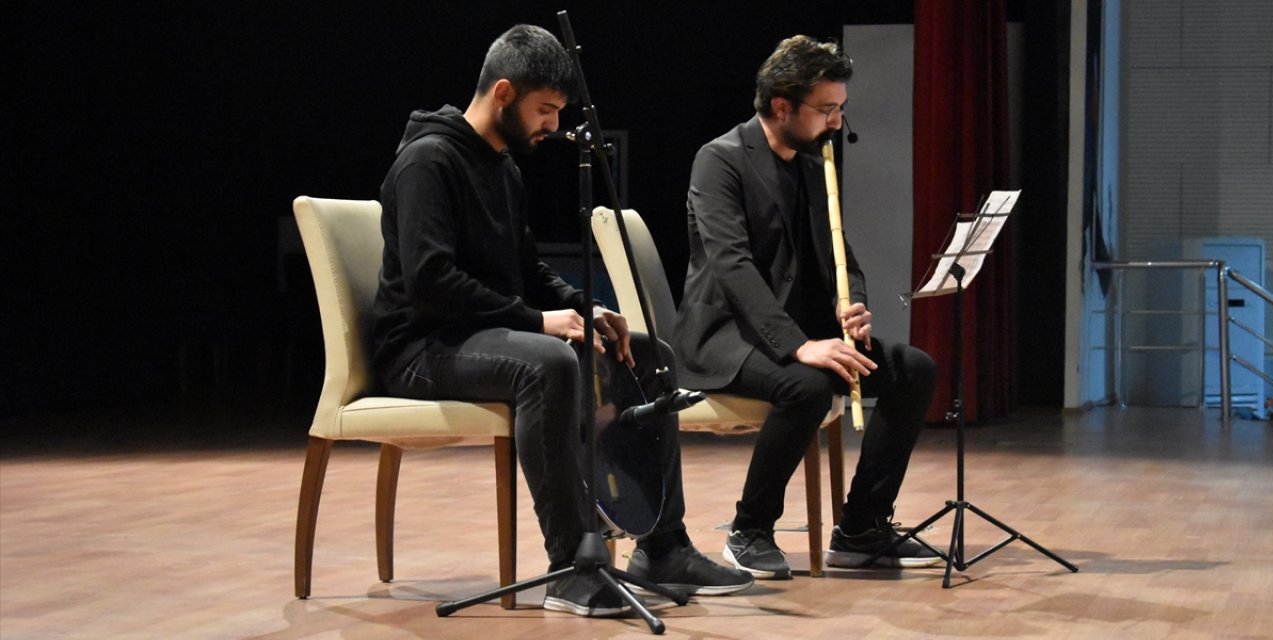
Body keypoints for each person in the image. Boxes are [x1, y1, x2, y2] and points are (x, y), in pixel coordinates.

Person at [370, 24, 752, 617]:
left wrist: (584, 307)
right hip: (420, 348)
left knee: (650, 355)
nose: (553, 126)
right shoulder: (429, 160)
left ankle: (663, 545)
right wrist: (537, 322)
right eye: (544, 110)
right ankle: (570, 566)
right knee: (547, 360)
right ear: (503, 93)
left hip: (479, 336)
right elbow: (429, 282)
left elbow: (526, 268)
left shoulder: (502, 168)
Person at [675, 35, 942, 579]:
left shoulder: (813, 165)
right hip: (726, 335)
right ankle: (749, 530)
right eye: (826, 110)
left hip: (797, 332)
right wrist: (799, 345)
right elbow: (733, 268)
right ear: (781, 106)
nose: (837, 123)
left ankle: (861, 527)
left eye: (840, 109)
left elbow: (843, 257)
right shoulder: (719, 161)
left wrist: (854, 306)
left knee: (913, 368)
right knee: (809, 384)